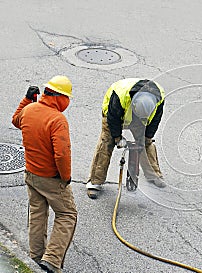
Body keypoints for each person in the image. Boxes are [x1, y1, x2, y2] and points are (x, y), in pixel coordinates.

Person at [11, 76, 77, 273]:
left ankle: (36, 256)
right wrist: (65, 177)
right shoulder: (57, 119)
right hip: (51, 179)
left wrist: (26, 99)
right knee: (67, 214)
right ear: (59, 97)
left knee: (38, 214)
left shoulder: (29, 110)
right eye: (68, 98)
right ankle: (52, 261)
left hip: (31, 173)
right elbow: (62, 154)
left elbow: (16, 120)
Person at [86, 78, 165, 199]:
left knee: (146, 143)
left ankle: (154, 174)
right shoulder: (120, 96)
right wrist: (117, 138)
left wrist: (147, 137)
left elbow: (155, 120)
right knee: (107, 142)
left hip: (141, 118)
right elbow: (113, 119)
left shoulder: (159, 98)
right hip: (114, 114)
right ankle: (95, 182)